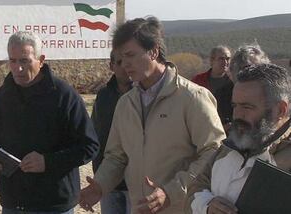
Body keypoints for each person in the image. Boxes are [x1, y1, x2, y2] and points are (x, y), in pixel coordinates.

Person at [79, 16, 226, 214]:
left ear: (154, 51)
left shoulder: (193, 98)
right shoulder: (125, 103)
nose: (125, 65)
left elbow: (213, 152)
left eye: (131, 55)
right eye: (121, 58)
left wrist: (171, 192)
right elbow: (117, 156)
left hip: (182, 208)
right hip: (139, 208)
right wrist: (100, 185)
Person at [0, 31, 99, 214]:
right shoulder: (3, 96)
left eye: (24, 61)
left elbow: (90, 146)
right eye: (13, 61)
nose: (18, 68)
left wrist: (48, 162)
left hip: (53, 204)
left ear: (41, 60)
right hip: (13, 203)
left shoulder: (64, 96)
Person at [186, 63, 291, 214]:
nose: (237, 115)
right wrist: (207, 205)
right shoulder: (228, 147)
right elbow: (195, 189)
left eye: (247, 107)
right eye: (235, 106)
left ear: (280, 110)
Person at [91, 49, 132, 214]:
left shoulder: (143, 95)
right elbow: (97, 134)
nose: (126, 67)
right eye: (120, 62)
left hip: (135, 182)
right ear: (111, 66)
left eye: (128, 61)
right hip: (108, 182)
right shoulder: (104, 96)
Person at [192, 45, 233, 129]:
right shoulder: (198, 81)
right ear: (212, 60)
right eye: (221, 59)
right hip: (203, 131)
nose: (225, 62)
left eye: (228, 59)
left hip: (229, 133)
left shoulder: (234, 83)